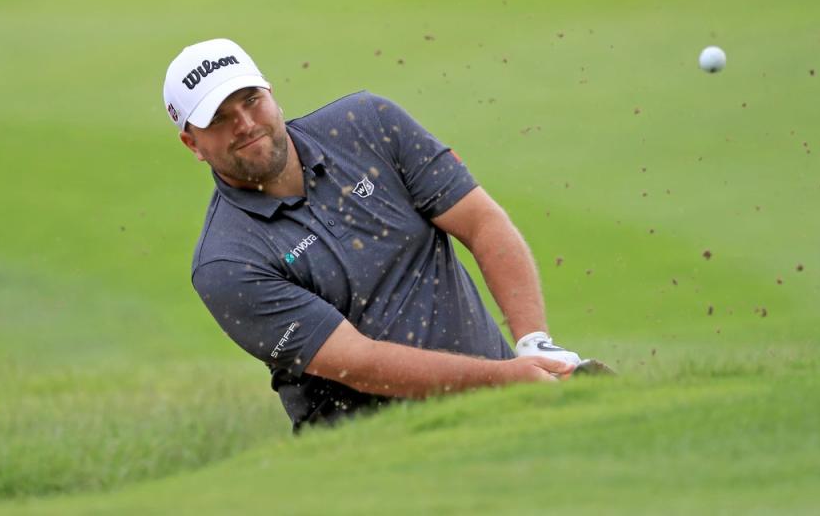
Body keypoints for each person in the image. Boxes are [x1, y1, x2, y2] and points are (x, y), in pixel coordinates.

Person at [162, 38, 587, 431]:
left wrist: (534, 345)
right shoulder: (227, 261)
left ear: (272, 94)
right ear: (192, 144)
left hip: (504, 405)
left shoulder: (367, 125)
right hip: (377, 451)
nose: (245, 123)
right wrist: (504, 378)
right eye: (219, 119)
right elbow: (360, 362)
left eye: (252, 101)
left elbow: (482, 223)